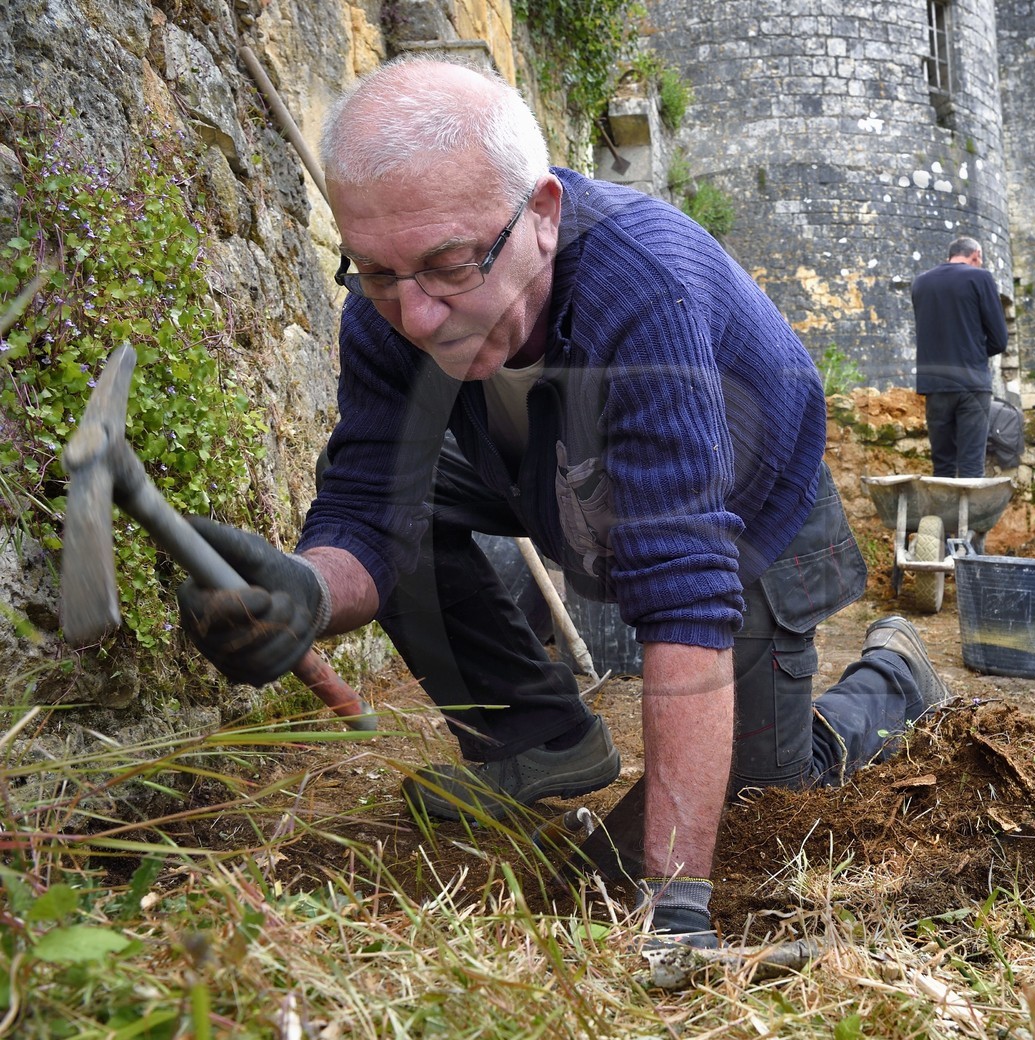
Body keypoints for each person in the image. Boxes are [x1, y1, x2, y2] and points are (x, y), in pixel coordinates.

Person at [171, 57, 951, 947]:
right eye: (378, 272)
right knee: (411, 500)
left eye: (449, 267)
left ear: (542, 215)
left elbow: (684, 594)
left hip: (742, 499)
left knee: (763, 790)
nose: (416, 316)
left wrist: (676, 907)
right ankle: (538, 740)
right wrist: (306, 592)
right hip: (550, 466)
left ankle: (892, 675)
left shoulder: (641, 289)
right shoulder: (387, 308)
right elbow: (369, 512)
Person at [911, 237, 1008, 477]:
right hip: (971, 384)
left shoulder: (921, 283)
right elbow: (999, 339)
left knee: (942, 465)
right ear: (975, 255)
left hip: (935, 385)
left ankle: (943, 515)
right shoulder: (980, 277)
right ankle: (970, 516)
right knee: (971, 466)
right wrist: (972, 354)